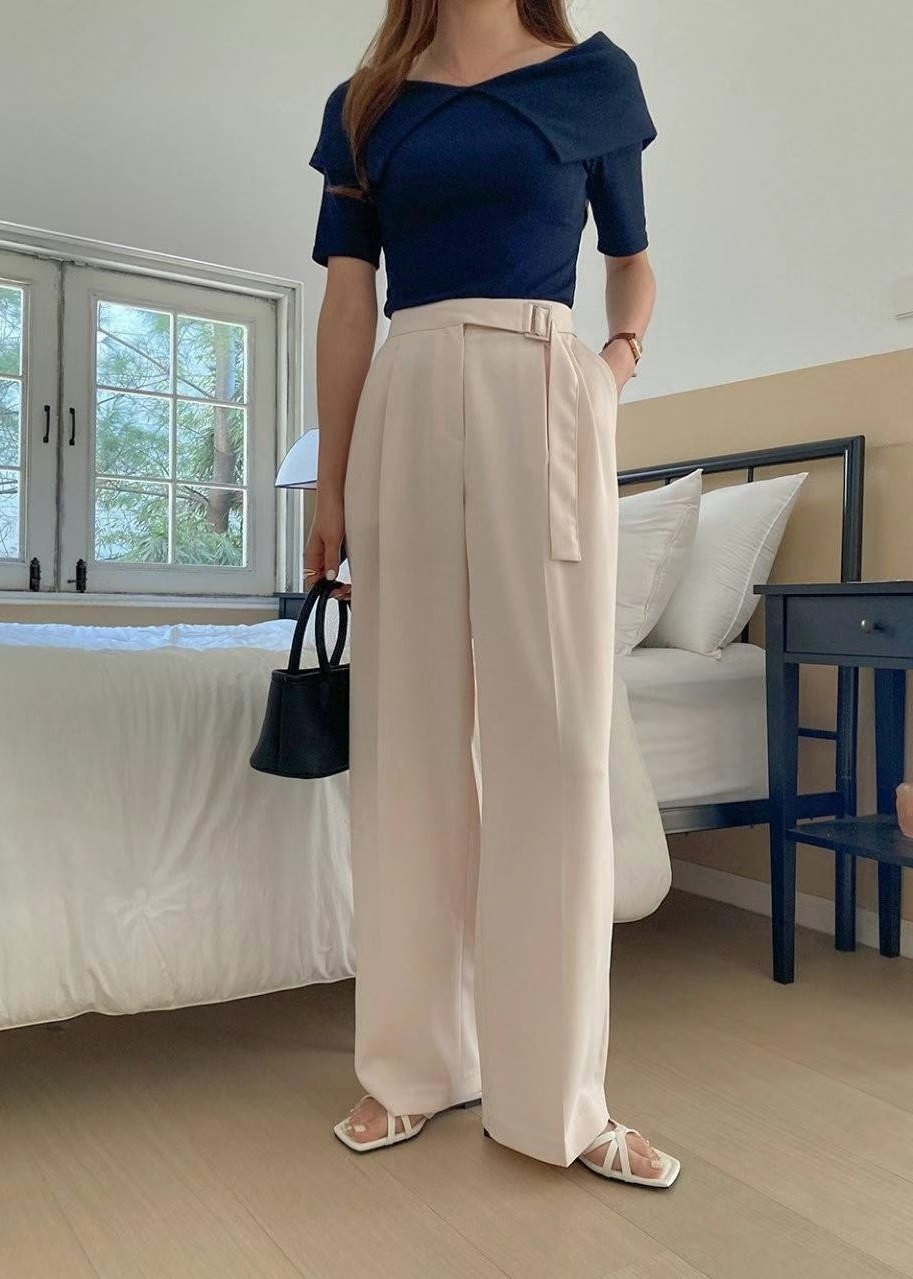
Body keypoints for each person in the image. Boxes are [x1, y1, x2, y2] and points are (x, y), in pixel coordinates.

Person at [304, 0, 679, 1189]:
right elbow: (348, 299)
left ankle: (560, 1103)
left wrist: (613, 367)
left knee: (556, 750)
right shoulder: (368, 103)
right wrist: (330, 479)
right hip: (406, 391)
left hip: (546, 390)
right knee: (408, 745)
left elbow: (631, 257)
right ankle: (411, 1068)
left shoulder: (593, 81)